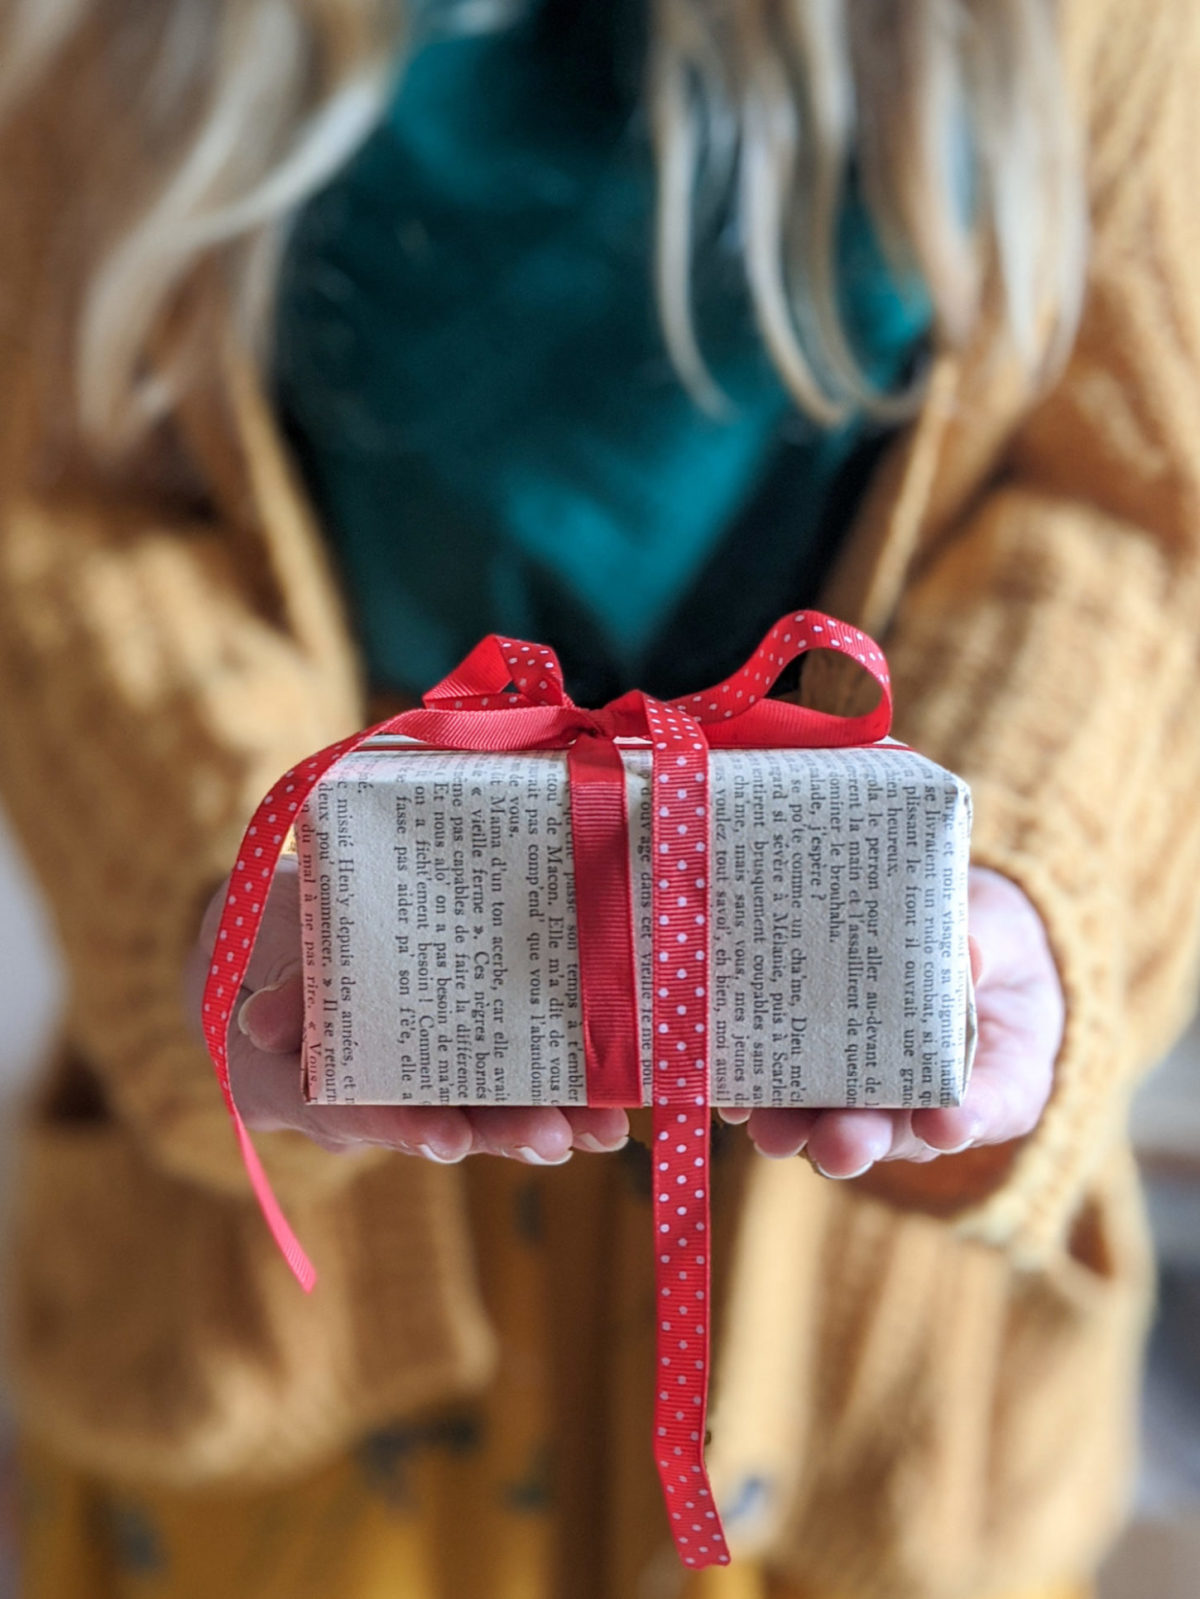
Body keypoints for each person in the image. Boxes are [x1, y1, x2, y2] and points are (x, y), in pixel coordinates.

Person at [0, 0, 1196, 1595]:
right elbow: (59, 502)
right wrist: (222, 884)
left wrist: (1018, 878)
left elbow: (1134, 502)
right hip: (284, 1290)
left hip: (856, 1359)